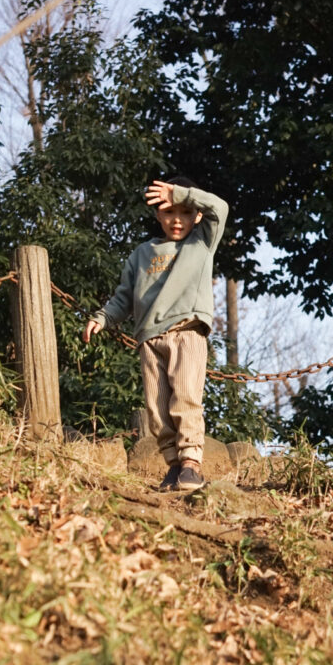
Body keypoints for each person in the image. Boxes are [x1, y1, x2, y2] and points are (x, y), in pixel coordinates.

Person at [83, 176, 228, 491]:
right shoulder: (142, 254)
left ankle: (191, 462)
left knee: (185, 398)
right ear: (157, 214)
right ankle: (174, 466)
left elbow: (220, 207)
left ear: (197, 215)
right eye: (169, 212)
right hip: (149, 338)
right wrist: (103, 318)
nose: (177, 220)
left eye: (186, 212)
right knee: (157, 408)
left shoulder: (201, 241)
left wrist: (180, 193)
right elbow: (124, 297)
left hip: (187, 332)